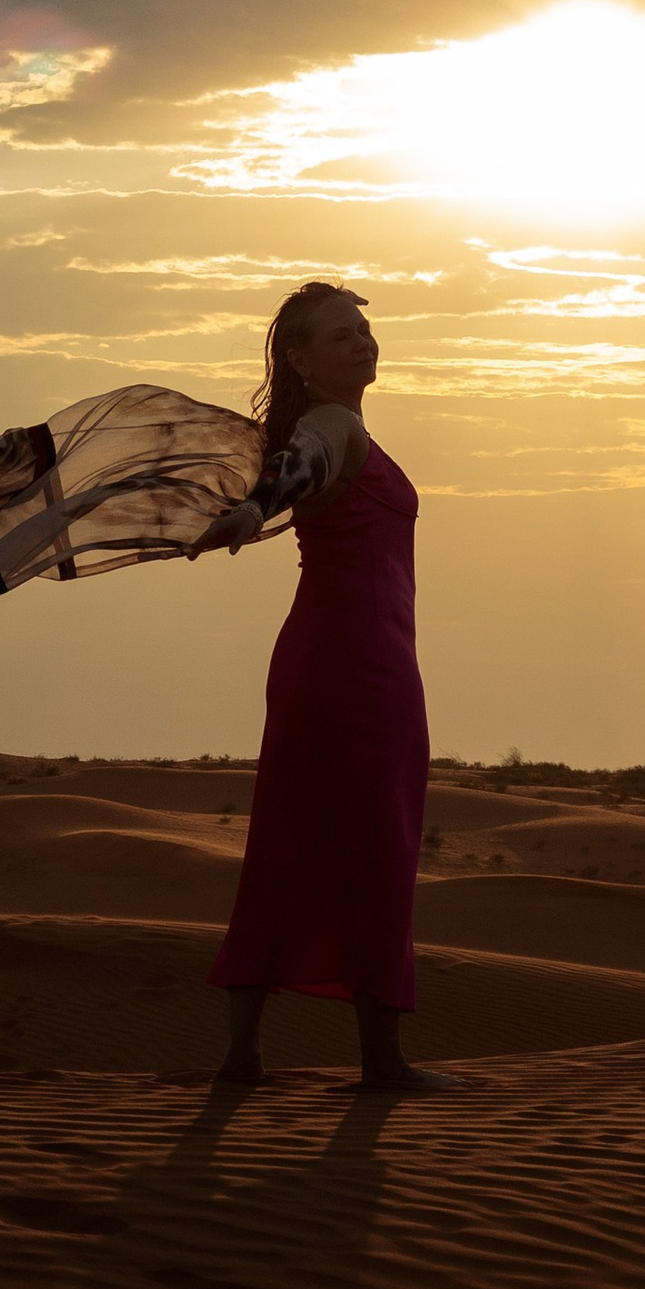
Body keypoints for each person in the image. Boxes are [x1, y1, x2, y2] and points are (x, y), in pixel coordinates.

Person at [189, 281, 443, 1094]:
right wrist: (255, 508)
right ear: (301, 358)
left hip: (325, 658)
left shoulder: (328, 427)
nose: (363, 345)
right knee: (377, 846)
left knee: (287, 842)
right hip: (361, 667)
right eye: (341, 337)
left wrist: (254, 508)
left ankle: (241, 1054)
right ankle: (383, 1063)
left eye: (364, 331)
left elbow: (298, 467)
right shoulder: (329, 426)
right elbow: (300, 469)